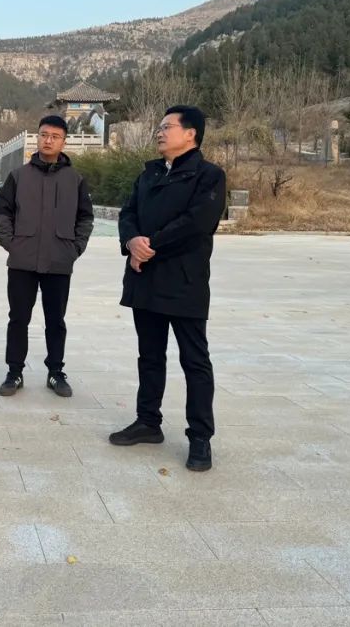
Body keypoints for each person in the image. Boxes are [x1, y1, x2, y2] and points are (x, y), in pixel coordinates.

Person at [109, 105, 226, 472]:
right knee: (149, 355)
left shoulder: (209, 176)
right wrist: (131, 241)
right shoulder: (149, 174)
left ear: (190, 134)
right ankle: (148, 422)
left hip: (184, 281)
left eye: (167, 127)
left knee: (194, 361)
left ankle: (200, 437)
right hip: (146, 279)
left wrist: (149, 246)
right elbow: (127, 214)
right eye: (159, 127)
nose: (159, 132)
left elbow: (197, 223)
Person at [0, 115, 94, 398]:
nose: (48, 140)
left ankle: (55, 372)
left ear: (64, 141)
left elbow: (85, 218)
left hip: (59, 260)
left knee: (56, 320)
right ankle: (14, 372)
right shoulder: (18, 176)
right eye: (43, 135)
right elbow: (3, 212)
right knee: (18, 318)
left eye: (55, 136)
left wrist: (75, 248)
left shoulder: (76, 179)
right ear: (37, 137)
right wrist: (10, 243)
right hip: (22, 260)